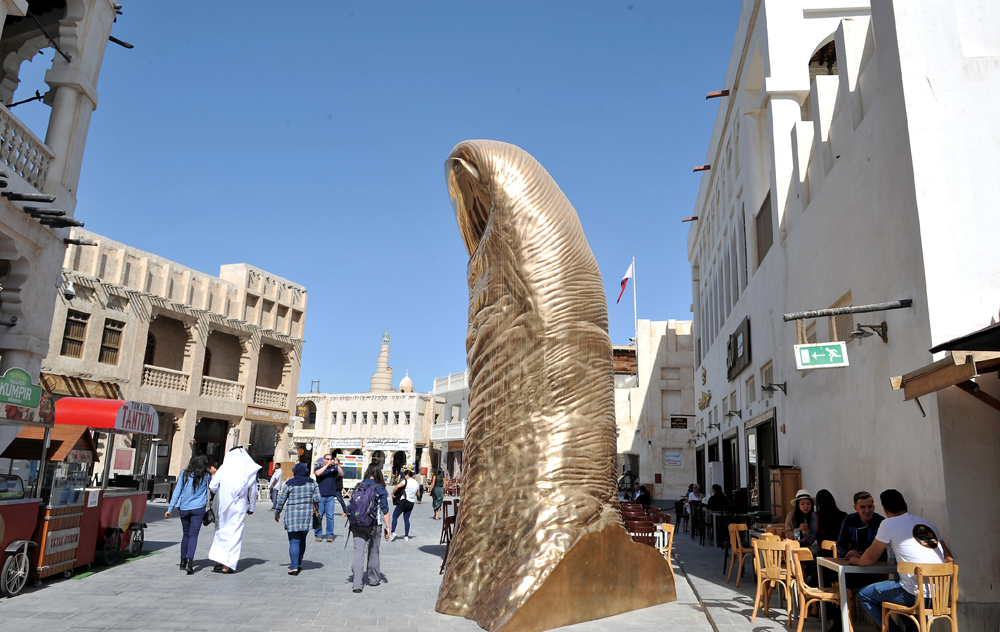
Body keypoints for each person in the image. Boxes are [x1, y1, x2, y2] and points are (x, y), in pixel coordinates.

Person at [850, 489, 953, 632]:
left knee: (865, 595)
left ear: (885, 510)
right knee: (901, 593)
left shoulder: (888, 524)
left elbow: (870, 557)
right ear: (905, 505)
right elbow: (949, 558)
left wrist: (856, 561)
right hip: (940, 595)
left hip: (915, 595)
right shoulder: (929, 524)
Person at [208, 447, 261, 573]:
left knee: (221, 531)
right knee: (235, 533)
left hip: (223, 505)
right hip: (238, 505)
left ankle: (218, 561)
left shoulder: (223, 468)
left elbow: (213, 486)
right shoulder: (248, 470)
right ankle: (228, 565)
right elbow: (253, 491)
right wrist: (252, 507)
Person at [164, 453, 211, 575]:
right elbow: (213, 488)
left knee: (186, 534)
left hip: (184, 508)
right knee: (193, 535)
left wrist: (170, 509)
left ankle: (182, 561)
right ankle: (190, 563)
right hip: (199, 509)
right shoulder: (206, 476)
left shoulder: (184, 474)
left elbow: (177, 492)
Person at [274, 463, 320, 576]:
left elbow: (281, 500)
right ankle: (299, 563)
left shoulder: (290, 483)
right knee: (302, 539)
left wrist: (277, 512)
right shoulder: (312, 483)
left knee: (294, 541)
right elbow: (318, 498)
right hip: (306, 516)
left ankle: (294, 567)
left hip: (292, 516)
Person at [350, 464, 390, 593]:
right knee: (373, 551)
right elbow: (385, 510)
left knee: (358, 552)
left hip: (357, 523)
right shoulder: (380, 488)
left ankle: (357, 584)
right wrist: (388, 527)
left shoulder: (359, 486)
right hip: (374, 523)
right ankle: (373, 579)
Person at [838, 491, 886, 559]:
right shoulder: (849, 520)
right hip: (852, 561)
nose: (867, 510)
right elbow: (841, 545)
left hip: (875, 564)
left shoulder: (882, 522)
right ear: (855, 508)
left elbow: (885, 551)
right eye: (862, 507)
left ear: (874, 506)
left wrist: (865, 556)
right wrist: (849, 553)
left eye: (870, 506)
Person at [313, 454, 343, 542]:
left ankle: (330, 535)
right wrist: (326, 465)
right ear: (323, 460)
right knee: (319, 516)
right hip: (320, 496)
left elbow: (341, 473)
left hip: (330, 496)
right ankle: (318, 534)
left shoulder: (333, 469)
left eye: (331, 459)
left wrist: (338, 465)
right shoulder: (318, 468)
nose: (330, 460)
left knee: (330, 516)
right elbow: (317, 474)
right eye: (327, 459)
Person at [390, 469, 420, 541]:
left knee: (395, 516)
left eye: (404, 475)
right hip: (411, 502)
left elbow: (397, 487)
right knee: (406, 519)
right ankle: (406, 536)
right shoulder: (416, 483)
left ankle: (393, 532)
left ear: (407, 475)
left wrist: (392, 493)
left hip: (403, 501)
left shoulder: (405, 481)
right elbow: (418, 493)